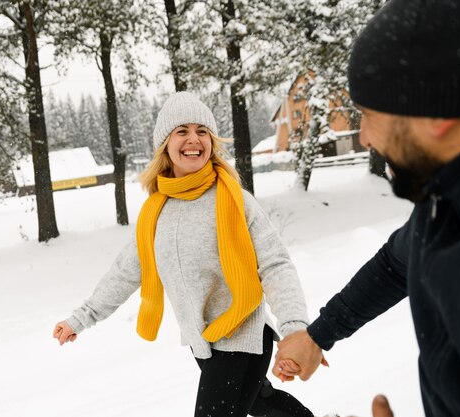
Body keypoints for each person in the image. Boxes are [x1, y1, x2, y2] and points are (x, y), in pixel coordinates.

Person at [54, 91, 314, 417]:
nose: (194, 139)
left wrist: (295, 329)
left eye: (202, 131)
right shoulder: (156, 211)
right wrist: (81, 318)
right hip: (203, 343)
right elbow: (125, 272)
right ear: (166, 143)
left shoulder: (234, 200)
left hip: (243, 337)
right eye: (182, 131)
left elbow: (276, 265)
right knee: (261, 401)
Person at [272, 0, 460, 416]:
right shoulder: (441, 203)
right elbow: (396, 263)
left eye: (369, 114)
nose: (364, 137)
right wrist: (318, 335)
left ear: (435, 113)